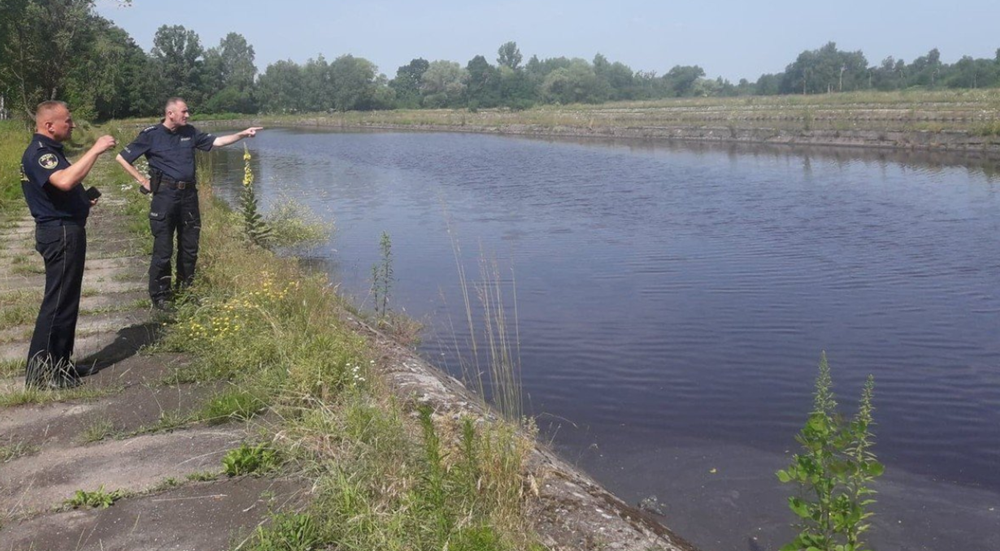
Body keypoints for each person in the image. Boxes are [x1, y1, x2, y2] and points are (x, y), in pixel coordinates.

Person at [115, 97, 262, 309]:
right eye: (184, 112)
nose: (187, 115)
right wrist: (143, 181)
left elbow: (217, 142)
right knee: (164, 249)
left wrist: (241, 134)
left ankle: (186, 291)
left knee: (189, 247)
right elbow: (122, 158)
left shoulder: (190, 132)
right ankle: (161, 296)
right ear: (170, 113)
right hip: (165, 197)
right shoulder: (151, 136)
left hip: (189, 197)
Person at [20, 101, 117, 388]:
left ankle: (61, 365)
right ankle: (41, 374)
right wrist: (96, 150)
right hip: (59, 232)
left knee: (67, 302)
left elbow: (57, 190)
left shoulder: (50, 152)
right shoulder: (40, 153)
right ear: (49, 125)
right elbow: (63, 181)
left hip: (66, 229)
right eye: (67, 121)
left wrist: (81, 200)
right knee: (58, 302)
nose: (71, 125)